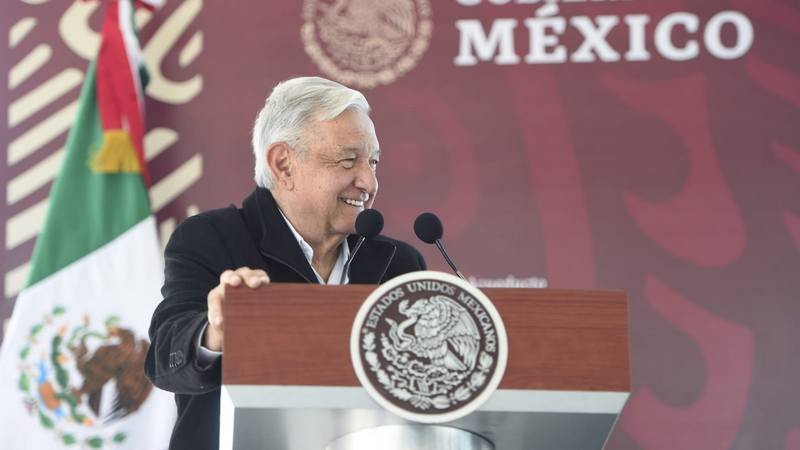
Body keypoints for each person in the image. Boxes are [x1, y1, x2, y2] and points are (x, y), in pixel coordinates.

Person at [144, 77, 426, 450]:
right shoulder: (211, 238)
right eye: (348, 161)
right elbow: (165, 359)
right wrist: (215, 333)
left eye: (373, 161)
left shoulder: (399, 264)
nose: (368, 181)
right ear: (283, 164)